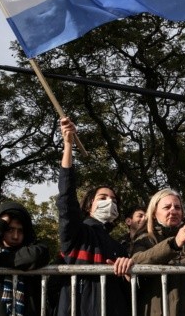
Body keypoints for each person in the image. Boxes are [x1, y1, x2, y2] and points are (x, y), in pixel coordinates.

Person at [56, 117, 132, 316]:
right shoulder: (77, 233)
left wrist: (129, 274)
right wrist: (68, 145)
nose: (110, 202)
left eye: (114, 200)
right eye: (103, 198)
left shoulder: (119, 247)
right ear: (89, 206)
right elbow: (66, 198)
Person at [130, 188, 185, 316]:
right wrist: (174, 244)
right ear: (154, 213)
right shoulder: (145, 238)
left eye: (177, 207)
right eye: (167, 207)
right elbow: (136, 261)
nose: (173, 211)